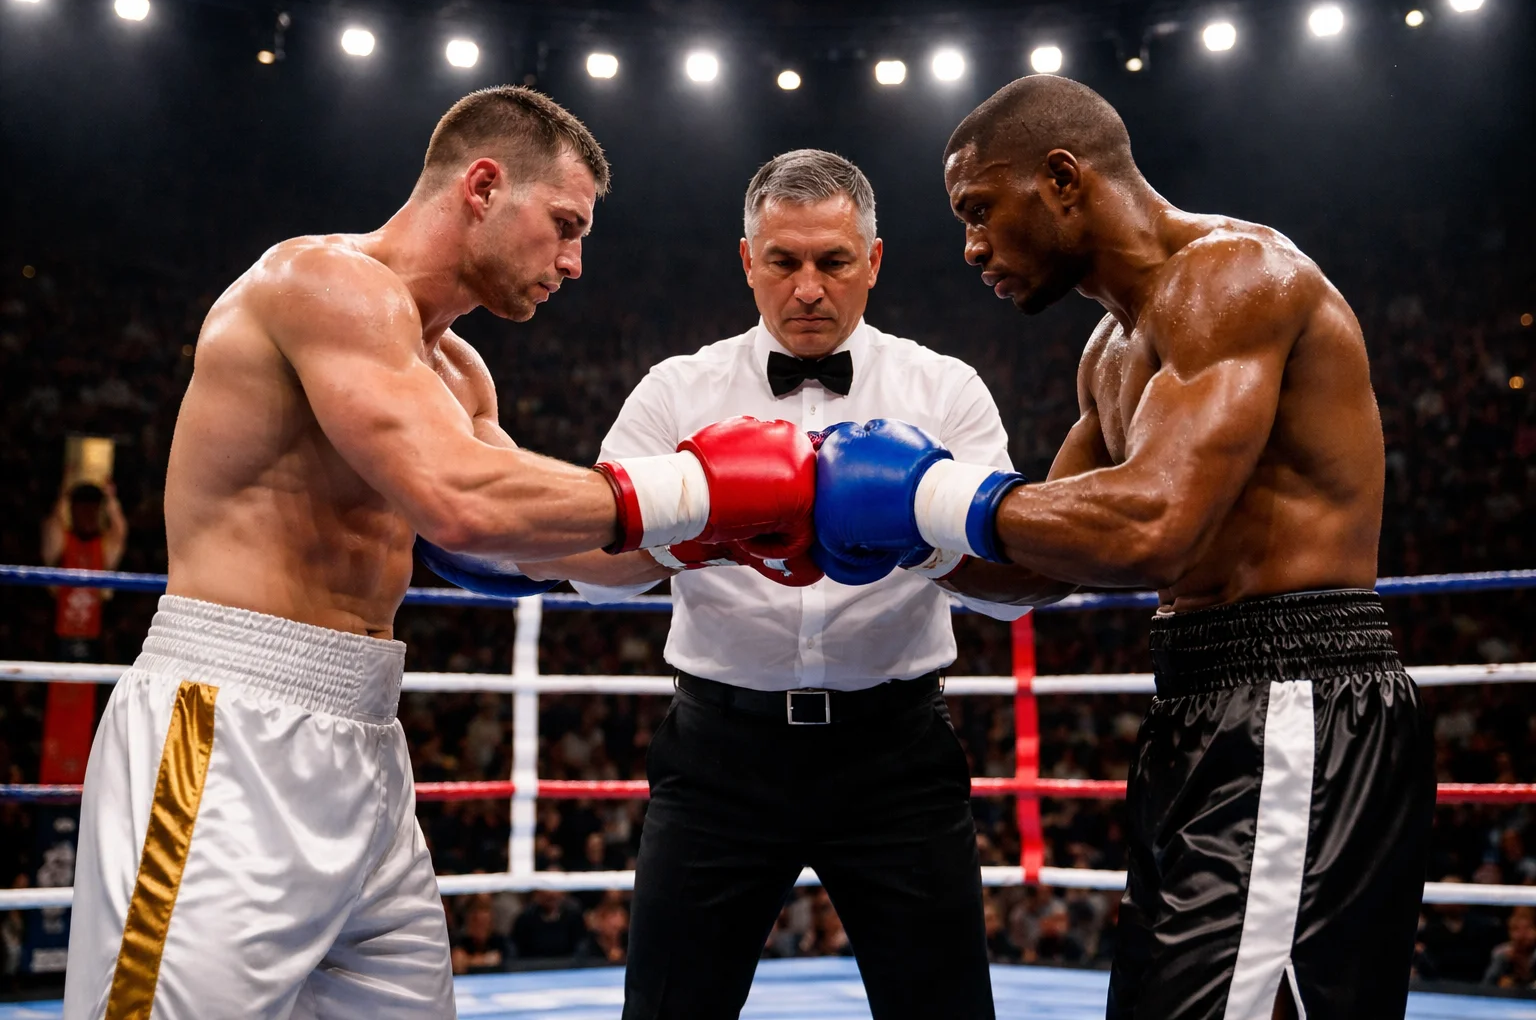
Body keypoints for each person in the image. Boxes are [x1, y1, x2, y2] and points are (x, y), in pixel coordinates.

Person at [63, 85, 816, 1020]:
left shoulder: (458, 371)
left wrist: (742, 532)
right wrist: (702, 488)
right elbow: (457, 499)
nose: (576, 263)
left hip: (367, 742)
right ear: (485, 185)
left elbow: (559, 550)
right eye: (564, 226)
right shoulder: (320, 284)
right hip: (227, 726)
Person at [811, 75, 1435, 1020]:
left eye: (979, 211)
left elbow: (1153, 525)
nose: (971, 246)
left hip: (1298, 700)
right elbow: (1037, 560)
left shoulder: (1234, 278)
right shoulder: (1111, 349)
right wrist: (886, 533)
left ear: (1063, 179)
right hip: (1200, 706)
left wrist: (929, 491)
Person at [517, 149, 1026, 1019]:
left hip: (895, 754)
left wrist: (917, 537)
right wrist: (701, 531)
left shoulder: (945, 390)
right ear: (748, 261)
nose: (808, 290)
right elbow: (589, 568)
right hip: (721, 755)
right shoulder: (678, 391)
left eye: (832, 262)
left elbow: (1012, 588)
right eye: (783, 262)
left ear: (872, 261)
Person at [41, 482, 128, 663]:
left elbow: (120, 533)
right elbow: (53, 527)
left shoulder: (103, 547)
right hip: (58, 630)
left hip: (94, 633)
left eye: (92, 510)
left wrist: (111, 500)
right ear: (72, 511)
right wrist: (64, 495)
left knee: (89, 682)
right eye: (82, 509)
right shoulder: (63, 543)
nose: (88, 515)